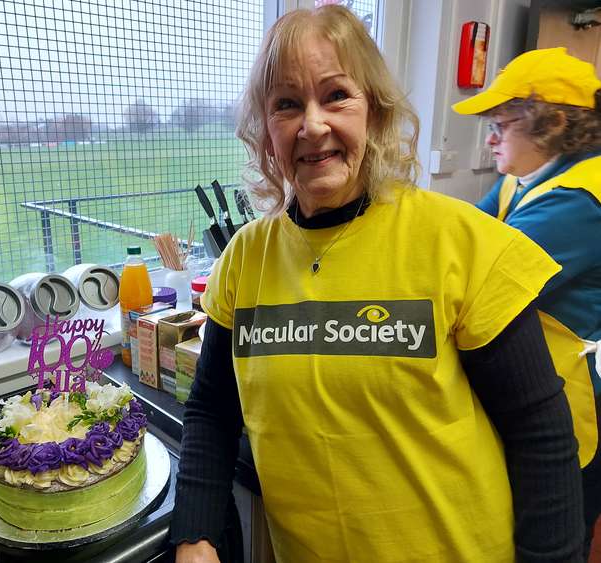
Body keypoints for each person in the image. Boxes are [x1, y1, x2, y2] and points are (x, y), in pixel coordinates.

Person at [172, 7, 585, 562]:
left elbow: (541, 435)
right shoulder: (245, 259)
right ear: (267, 133)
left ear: (376, 111)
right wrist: (194, 536)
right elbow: (212, 411)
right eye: (287, 104)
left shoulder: (460, 243)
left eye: (336, 95)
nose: (312, 124)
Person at [453, 46, 601, 557]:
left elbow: (480, 280)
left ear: (553, 123)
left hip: (574, 393)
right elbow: (464, 235)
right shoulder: (525, 175)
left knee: (555, 529)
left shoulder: (582, 196)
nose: (491, 138)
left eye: (502, 123)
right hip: (535, 374)